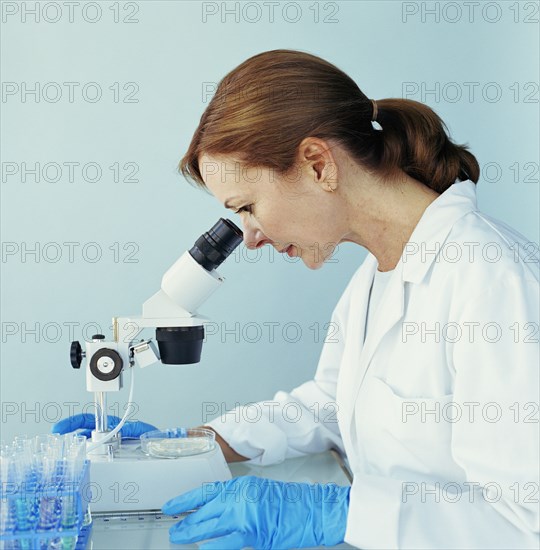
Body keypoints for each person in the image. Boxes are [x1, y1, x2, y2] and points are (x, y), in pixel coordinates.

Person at [54, 50, 539, 549]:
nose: (251, 237)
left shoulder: (496, 283)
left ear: (317, 163)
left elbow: (524, 523)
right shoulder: (378, 273)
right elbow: (330, 407)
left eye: (248, 207)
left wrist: (339, 514)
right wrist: (190, 445)